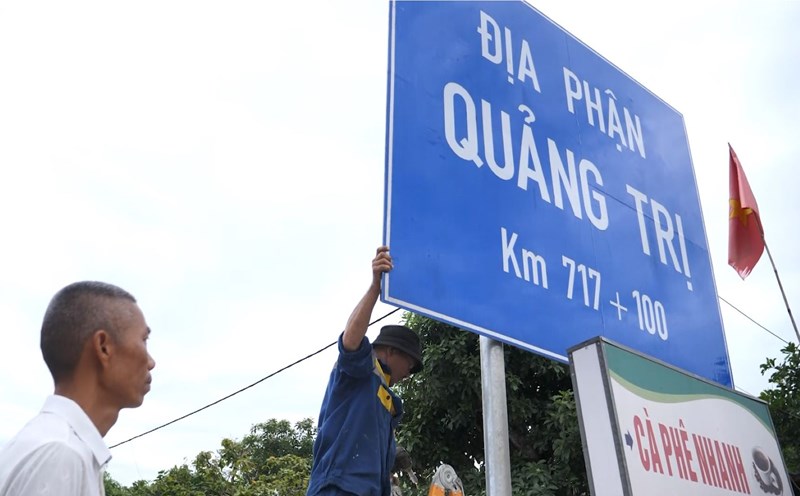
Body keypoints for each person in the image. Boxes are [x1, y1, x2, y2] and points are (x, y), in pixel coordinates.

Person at [0, 281, 156, 496]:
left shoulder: (60, 447)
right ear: (103, 347)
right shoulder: (60, 454)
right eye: (144, 340)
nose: (151, 362)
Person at [307, 246, 423, 496]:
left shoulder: (390, 403)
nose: (409, 372)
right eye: (410, 364)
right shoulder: (359, 368)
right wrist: (375, 288)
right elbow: (350, 340)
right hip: (337, 487)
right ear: (391, 351)